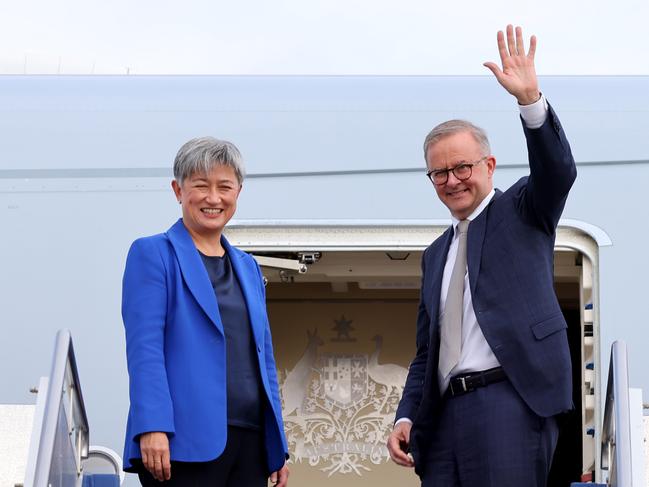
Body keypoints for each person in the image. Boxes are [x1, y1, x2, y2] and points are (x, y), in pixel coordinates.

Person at [387, 25, 576, 486]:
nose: (452, 180)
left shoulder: (523, 210)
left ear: (489, 166)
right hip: (443, 418)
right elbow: (427, 351)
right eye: (439, 172)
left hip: (510, 403)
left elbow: (557, 171)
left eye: (462, 167)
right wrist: (406, 415)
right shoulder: (436, 255)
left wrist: (530, 102)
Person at [121, 137, 289, 486]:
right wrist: (152, 426)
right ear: (178, 190)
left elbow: (265, 359)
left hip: (251, 442)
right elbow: (145, 350)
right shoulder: (153, 254)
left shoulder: (249, 267)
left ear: (238, 192)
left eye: (224, 187)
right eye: (201, 186)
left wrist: (277, 444)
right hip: (182, 441)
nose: (213, 198)